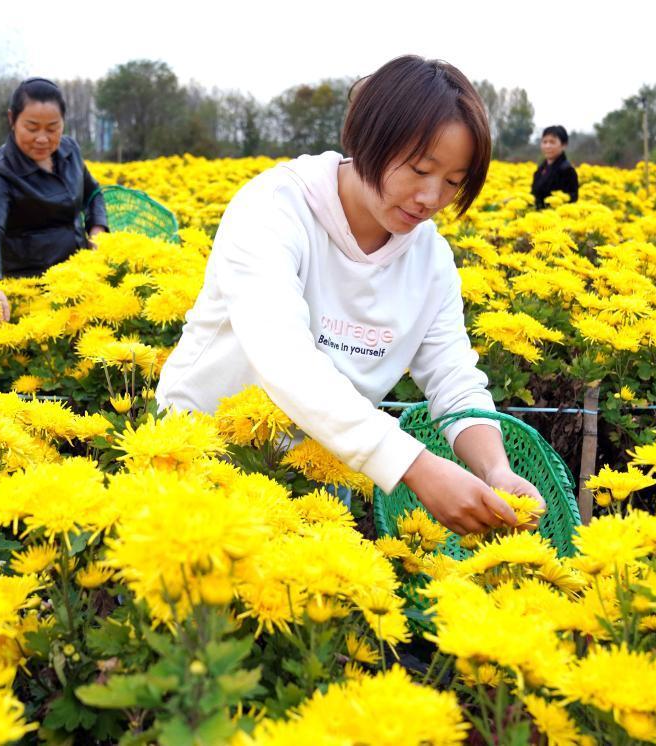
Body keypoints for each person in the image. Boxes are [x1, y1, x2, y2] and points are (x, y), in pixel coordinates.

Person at [156, 56, 544, 536]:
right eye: (420, 169)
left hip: (324, 473)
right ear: (366, 139)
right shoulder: (274, 209)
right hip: (201, 455)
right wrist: (414, 466)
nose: (431, 198)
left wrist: (495, 469)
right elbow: (283, 357)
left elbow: (454, 377)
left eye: (452, 183)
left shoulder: (430, 259)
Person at [0, 77, 108, 321]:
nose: (42, 138)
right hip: (33, 291)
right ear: (12, 120)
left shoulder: (70, 151)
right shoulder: (0, 173)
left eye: (52, 128)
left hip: (80, 279)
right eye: (32, 128)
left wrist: (97, 229)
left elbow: (93, 193)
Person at [530, 125, 579, 209]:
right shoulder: (540, 170)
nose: (547, 146)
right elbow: (534, 196)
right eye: (544, 142)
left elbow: (572, 199)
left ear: (564, 145)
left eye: (552, 142)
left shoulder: (568, 171)